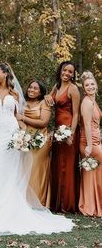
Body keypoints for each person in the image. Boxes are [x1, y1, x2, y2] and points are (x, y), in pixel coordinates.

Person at [0, 63, 74, 235]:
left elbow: (19, 116)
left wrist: (23, 134)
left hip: (11, 132)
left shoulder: (15, 92)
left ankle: (12, 206)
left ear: (5, 74)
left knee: (11, 170)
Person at [45, 60, 80, 213]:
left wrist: (71, 133)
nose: (66, 73)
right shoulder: (57, 86)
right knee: (58, 164)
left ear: (73, 75)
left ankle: (67, 204)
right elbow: (50, 99)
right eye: (64, 70)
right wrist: (47, 96)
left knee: (68, 166)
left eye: (70, 72)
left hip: (69, 131)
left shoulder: (73, 89)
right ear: (60, 70)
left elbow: (76, 113)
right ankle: (56, 203)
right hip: (58, 129)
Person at [18, 80, 51, 207]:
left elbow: (44, 122)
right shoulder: (22, 102)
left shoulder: (44, 102)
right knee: (25, 169)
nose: (31, 90)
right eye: (30, 87)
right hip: (25, 139)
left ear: (41, 92)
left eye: (35, 88)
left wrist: (23, 118)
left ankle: (38, 201)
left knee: (37, 168)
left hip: (41, 140)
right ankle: (25, 201)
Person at [79, 71, 102, 217]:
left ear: (96, 85)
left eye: (92, 84)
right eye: (87, 85)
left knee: (94, 174)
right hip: (89, 142)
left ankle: (91, 205)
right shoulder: (86, 102)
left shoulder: (93, 100)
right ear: (83, 87)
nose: (90, 86)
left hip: (95, 140)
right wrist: (89, 145)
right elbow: (86, 124)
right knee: (94, 174)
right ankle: (91, 205)